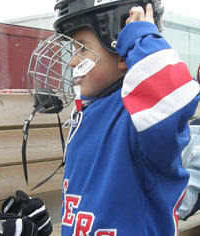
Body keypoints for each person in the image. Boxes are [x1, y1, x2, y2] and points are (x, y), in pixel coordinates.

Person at [27, 0, 200, 235]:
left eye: (82, 48)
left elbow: (173, 97)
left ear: (121, 54)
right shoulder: (88, 112)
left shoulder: (138, 117)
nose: (73, 61)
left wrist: (140, 39)